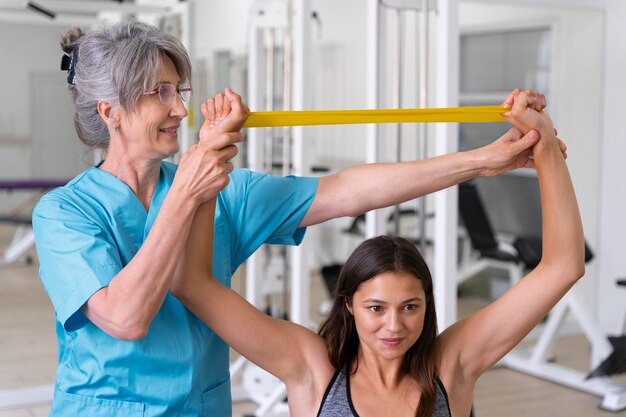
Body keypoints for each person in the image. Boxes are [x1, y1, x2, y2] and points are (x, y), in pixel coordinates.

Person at [32, 19, 562, 417]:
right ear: (111, 112)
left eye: (181, 91)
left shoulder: (224, 192)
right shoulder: (65, 215)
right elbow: (125, 318)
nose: (180, 110)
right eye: (161, 94)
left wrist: (482, 161)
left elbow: (351, 191)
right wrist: (189, 189)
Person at [171, 89, 584, 417]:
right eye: (375, 308)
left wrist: (542, 142)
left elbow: (563, 266)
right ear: (348, 305)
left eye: (409, 307)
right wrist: (212, 151)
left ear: (427, 304)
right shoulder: (313, 370)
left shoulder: (451, 365)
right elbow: (195, 285)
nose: (394, 326)